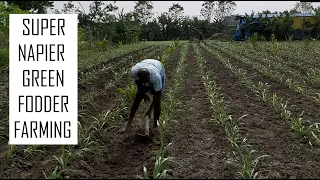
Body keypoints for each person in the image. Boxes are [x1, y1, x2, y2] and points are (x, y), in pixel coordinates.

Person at [120, 59, 165, 137]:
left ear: (149, 77)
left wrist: (149, 110)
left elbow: (157, 95)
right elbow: (138, 83)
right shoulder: (134, 72)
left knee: (157, 102)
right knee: (137, 99)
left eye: (146, 81)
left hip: (158, 67)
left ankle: (155, 123)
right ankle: (128, 123)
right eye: (143, 81)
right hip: (145, 65)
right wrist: (144, 94)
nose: (145, 83)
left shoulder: (156, 77)